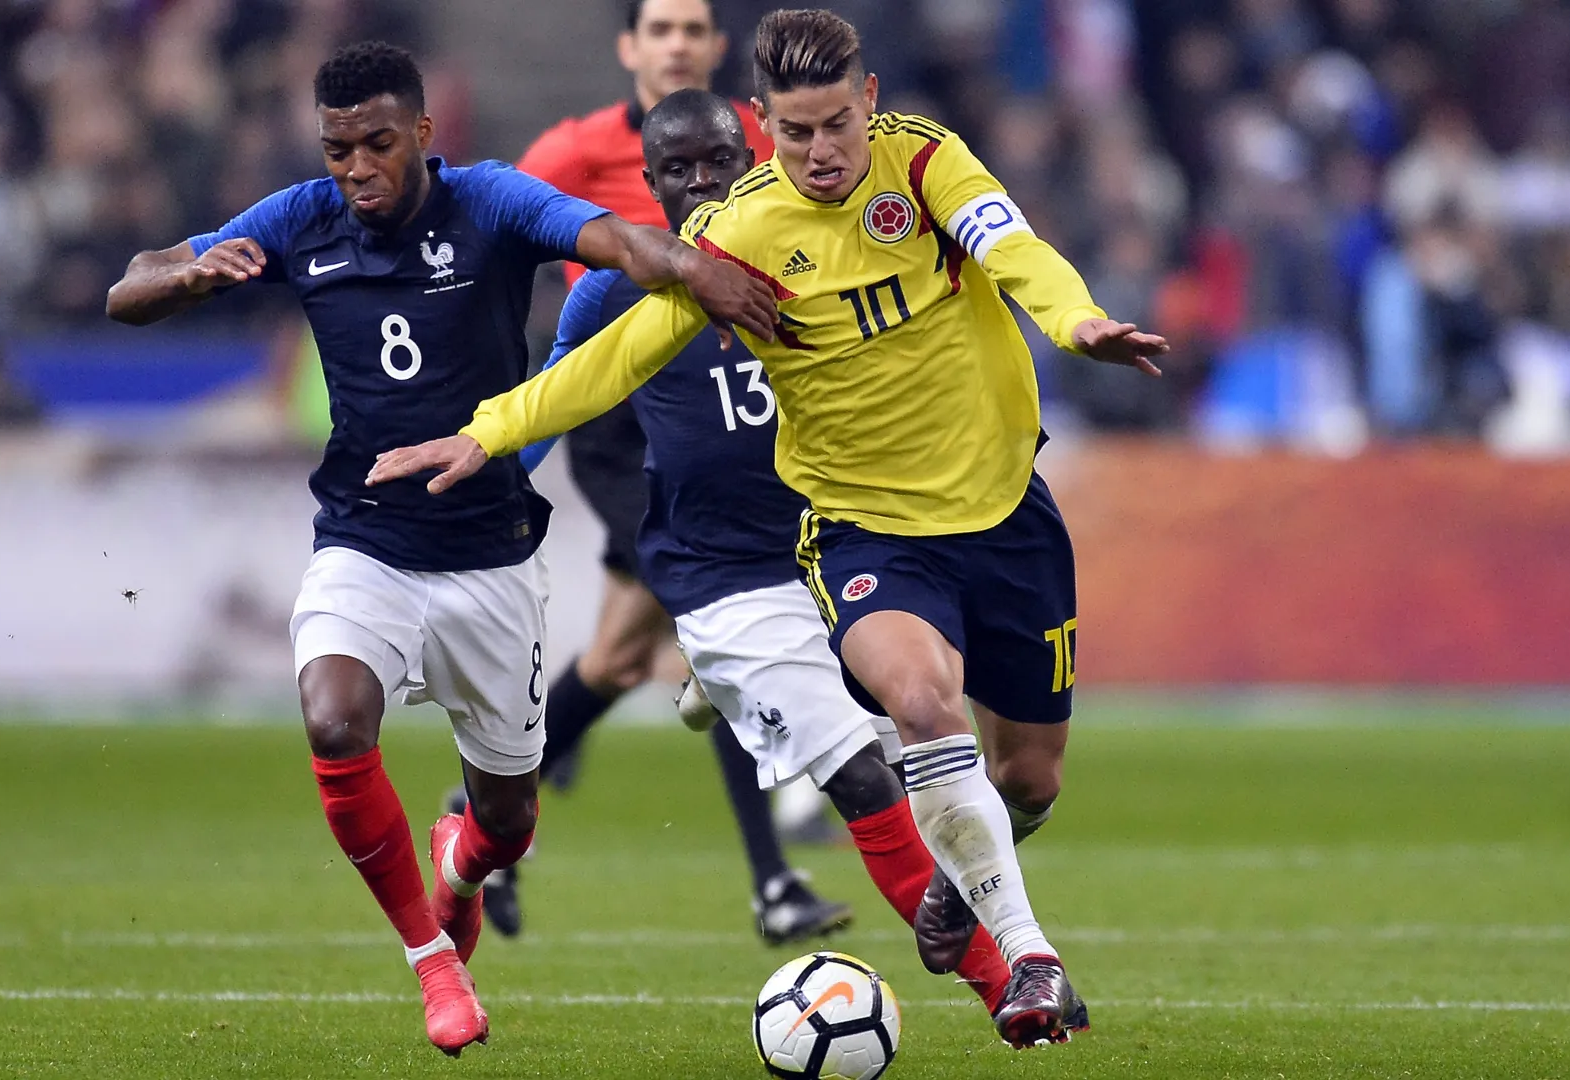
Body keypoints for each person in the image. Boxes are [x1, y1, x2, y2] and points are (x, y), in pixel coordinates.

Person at [367, 10, 1168, 1049]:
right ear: (766, 124)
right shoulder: (734, 236)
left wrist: (1075, 321)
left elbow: (1012, 250)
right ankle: (1027, 960)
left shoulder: (927, 164)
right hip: (861, 532)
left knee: (1028, 781)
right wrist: (486, 434)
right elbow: (613, 359)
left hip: (1006, 516)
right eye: (796, 133)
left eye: (836, 125)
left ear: (868, 100)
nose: (820, 152)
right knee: (922, 708)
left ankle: (964, 877)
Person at [104, 42, 774, 1057]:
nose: (357, 169)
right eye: (338, 150)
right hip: (364, 541)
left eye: (377, 144)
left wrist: (696, 269)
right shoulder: (299, 219)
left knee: (508, 820)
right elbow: (130, 287)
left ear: (423, 133)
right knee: (334, 721)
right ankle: (433, 961)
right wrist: (186, 277)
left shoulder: (492, 202)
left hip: (491, 557)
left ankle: (462, 866)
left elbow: (612, 239)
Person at [524, 85, 1029, 1020]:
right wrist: (496, 480)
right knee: (861, 777)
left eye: (720, 162)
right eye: (678, 170)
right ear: (651, 184)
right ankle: (1010, 990)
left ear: (751, 159)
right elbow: (555, 396)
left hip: (833, 552)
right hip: (722, 582)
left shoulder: (808, 255)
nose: (702, 182)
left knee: (937, 760)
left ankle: (481, 835)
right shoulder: (614, 290)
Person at [466, 0, 843, 947]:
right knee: (719, 619)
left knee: (622, 656)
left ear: (716, 48)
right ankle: (774, 880)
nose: (677, 43)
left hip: (729, 396)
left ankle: (481, 812)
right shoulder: (576, 148)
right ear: (629, 47)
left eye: (692, 28)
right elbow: (500, 227)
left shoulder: (759, 138)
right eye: (660, 28)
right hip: (620, 409)